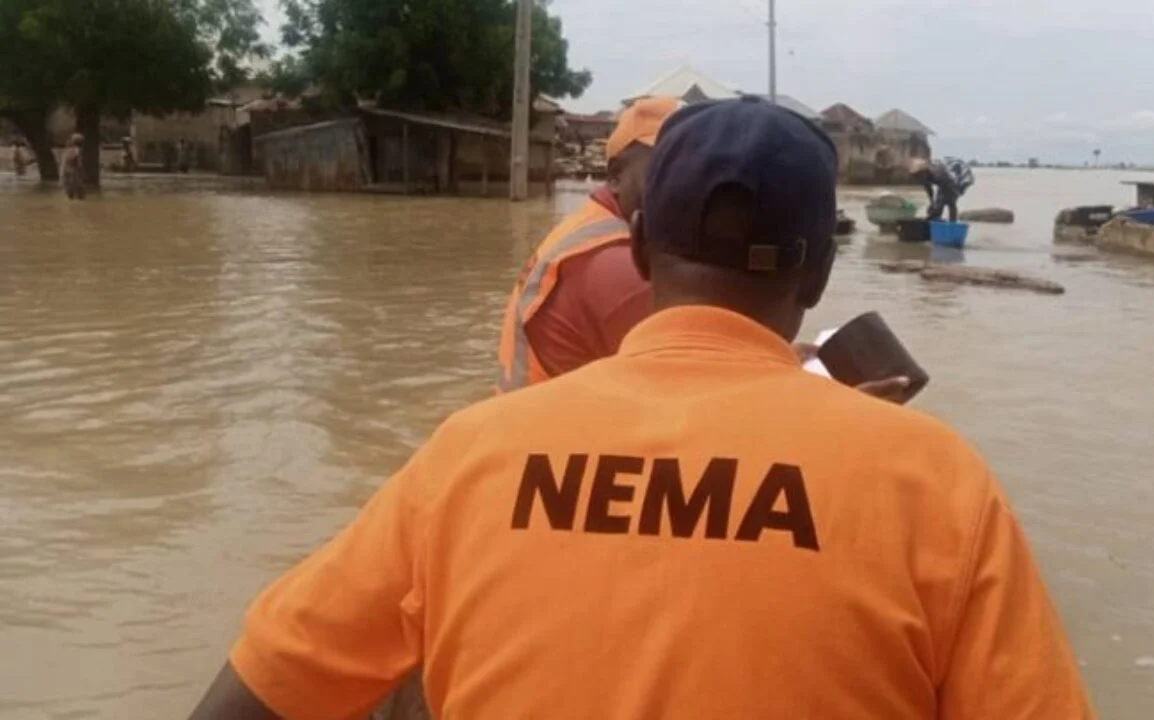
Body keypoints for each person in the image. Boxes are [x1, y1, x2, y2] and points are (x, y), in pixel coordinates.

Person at [190, 98, 1094, 720]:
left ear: (642, 241)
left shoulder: (467, 458)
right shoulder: (936, 485)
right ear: (819, 273)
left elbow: (253, 699)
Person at [497, 98, 910, 402]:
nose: (705, 177)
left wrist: (770, 358)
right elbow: (702, 407)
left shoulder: (587, 231)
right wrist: (848, 420)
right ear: (617, 174)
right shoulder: (609, 262)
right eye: (674, 162)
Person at [497, 95, 680, 391]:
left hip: (527, 421)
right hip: (551, 430)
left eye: (688, 169)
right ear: (616, 175)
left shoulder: (587, 226)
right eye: (663, 169)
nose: (680, 183)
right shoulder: (617, 264)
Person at [909, 156, 974, 222]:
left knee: (949, 202)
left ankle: (952, 224)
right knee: (939, 204)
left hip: (957, 176)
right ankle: (935, 220)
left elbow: (950, 198)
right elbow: (929, 190)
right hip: (945, 177)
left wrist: (935, 207)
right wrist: (931, 204)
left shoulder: (938, 174)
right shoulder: (923, 175)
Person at [61, 133, 86, 200]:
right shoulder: (76, 150)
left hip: (67, 171)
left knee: (70, 190)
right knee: (78, 190)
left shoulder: (68, 149)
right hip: (73, 172)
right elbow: (77, 161)